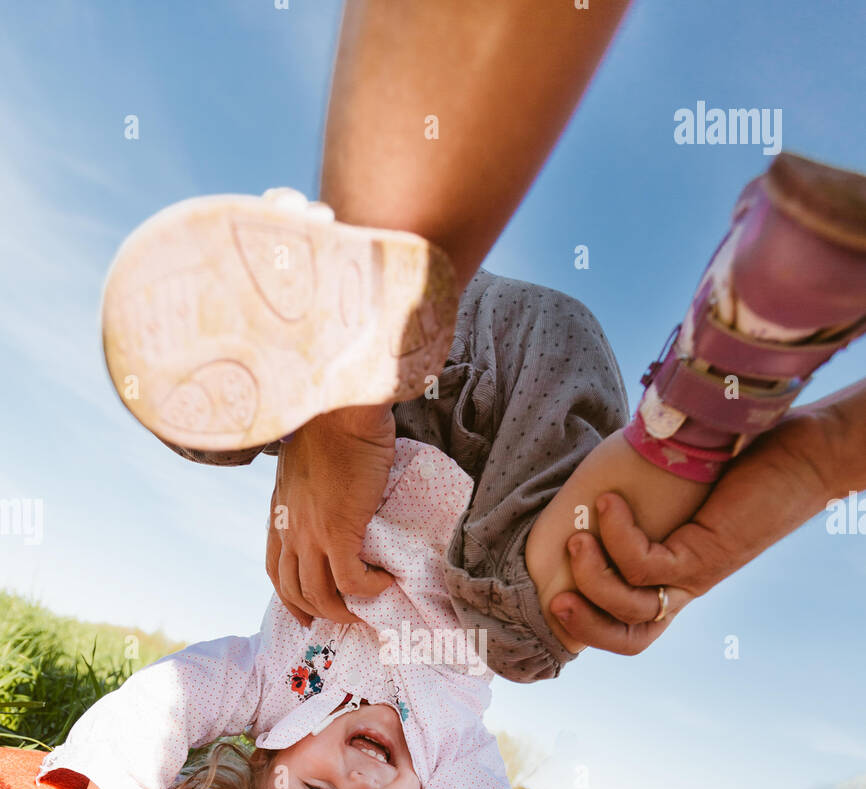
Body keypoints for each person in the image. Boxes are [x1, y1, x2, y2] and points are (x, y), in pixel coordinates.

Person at [101, 152, 866, 680]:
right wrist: (820, 458)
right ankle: (299, 292)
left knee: (558, 596)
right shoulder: (431, 750)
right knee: (537, 610)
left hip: (468, 334)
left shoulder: (290, 698)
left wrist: (335, 417)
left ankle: (724, 370)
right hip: (479, 345)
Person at [19, 439, 518, 789]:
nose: (363, 781)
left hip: (376, 440)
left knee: (208, 433)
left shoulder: (272, 686)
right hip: (503, 497)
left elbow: (173, 698)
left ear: (268, 754)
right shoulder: (447, 752)